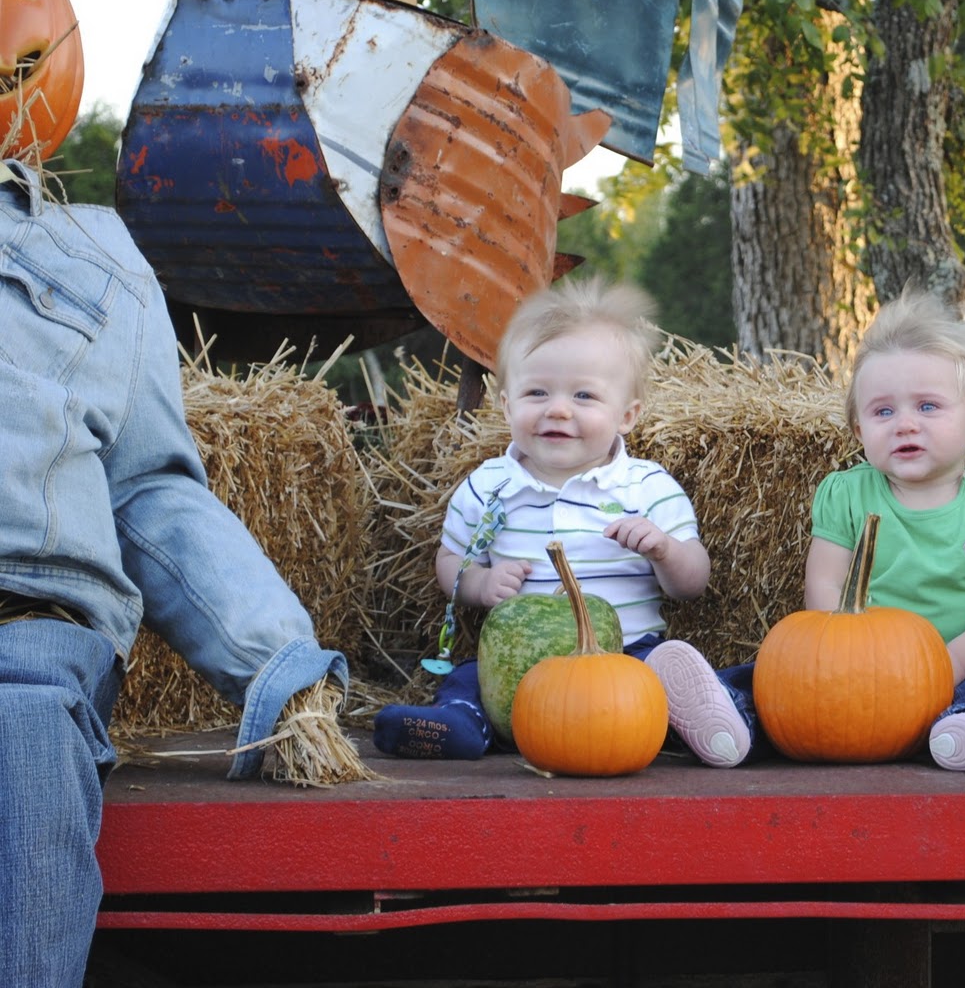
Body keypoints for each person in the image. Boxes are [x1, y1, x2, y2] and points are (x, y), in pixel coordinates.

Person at [0, 157, 352, 988]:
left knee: (22, 734)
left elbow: (147, 491)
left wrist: (274, 661)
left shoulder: (86, 255)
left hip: (23, 628)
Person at [660, 291, 965, 773]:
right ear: (859, 431)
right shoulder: (846, 494)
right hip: (848, 674)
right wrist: (840, 661)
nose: (905, 424)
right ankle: (727, 717)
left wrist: (949, 665)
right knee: (770, 683)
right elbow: (824, 585)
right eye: (883, 412)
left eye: (928, 406)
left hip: (957, 670)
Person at [373, 277, 724, 761]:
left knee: (662, 674)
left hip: (623, 659)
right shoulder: (489, 485)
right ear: (506, 405)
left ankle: (720, 711)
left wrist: (664, 549)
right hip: (520, 667)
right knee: (468, 678)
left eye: (584, 396)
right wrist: (479, 583)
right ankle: (457, 723)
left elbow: (693, 583)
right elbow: (450, 560)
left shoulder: (645, 487)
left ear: (627, 415)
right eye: (537, 392)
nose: (557, 410)